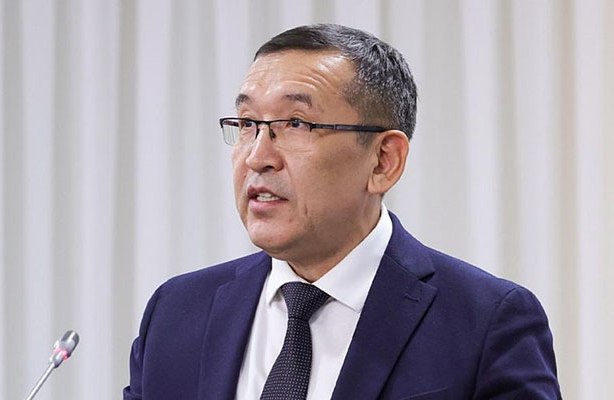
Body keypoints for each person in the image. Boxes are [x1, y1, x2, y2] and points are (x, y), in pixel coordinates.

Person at [124, 24, 561, 399]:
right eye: (247, 124)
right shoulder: (176, 312)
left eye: (296, 124)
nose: (257, 157)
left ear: (383, 161)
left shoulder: (485, 322)